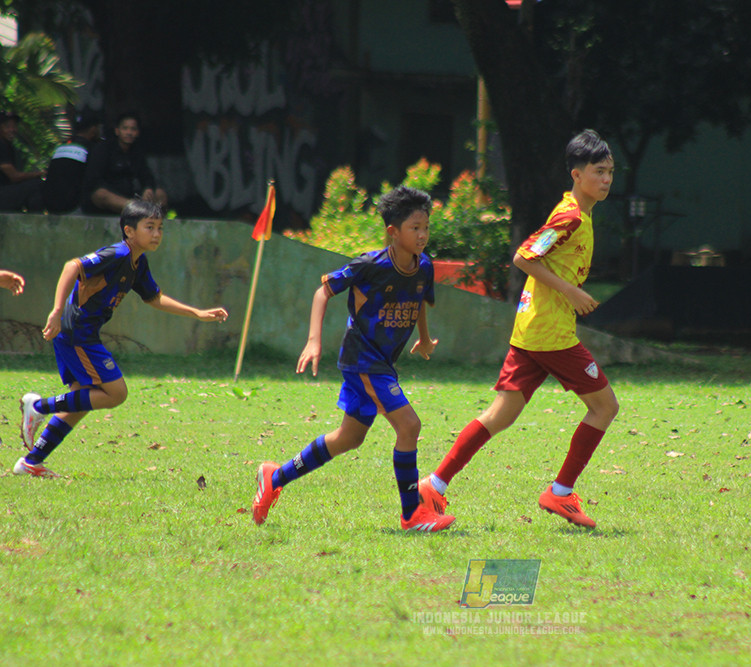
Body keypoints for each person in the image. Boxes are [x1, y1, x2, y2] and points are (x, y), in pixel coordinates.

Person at [417, 129, 619, 529]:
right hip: (550, 333)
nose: (607, 179)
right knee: (605, 406)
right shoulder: (570, 216)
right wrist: (571, 293)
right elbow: (524, 256)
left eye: (611, 171)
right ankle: (560, 493)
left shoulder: (580, 212)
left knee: (501, 414)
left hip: (533, 329)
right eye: (599, 171)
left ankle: (433, 485)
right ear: (577, 175)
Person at [252, 185, 454, 532]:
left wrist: (422, 337)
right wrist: (314, 340)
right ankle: (413, 515)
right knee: (410, 426)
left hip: (380, 362)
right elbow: (323, 290)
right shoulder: (370, 265)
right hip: (363, 359)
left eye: (426, 228)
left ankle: (275, 477)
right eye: (415, 228)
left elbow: (418, 298)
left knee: (349, 438)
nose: (422, 235)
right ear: (393, 232)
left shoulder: (424, 267)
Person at [16, 199, 229, 478]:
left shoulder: (138, 263)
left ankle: (31, 462)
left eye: (160, 228)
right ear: (129, 231)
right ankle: (38, 406)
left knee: (83, 401)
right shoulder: (117, 253)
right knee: (116, 393)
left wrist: (197, 313)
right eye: (149, 227)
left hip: (83, 333)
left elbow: (154, 297)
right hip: (77, 333)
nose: (156, 234)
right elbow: (72, 266)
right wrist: (56, 312)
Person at [82, 111, 167, 215]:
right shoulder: (103, 149)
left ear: (137, 132)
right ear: (117, 131)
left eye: (133, 129)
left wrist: (148, 188)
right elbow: (93, 180)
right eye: (125, 128)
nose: (129, 132)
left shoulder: (137, 152)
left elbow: (147, 176)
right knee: (101, 194)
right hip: (108, 197)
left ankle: (152, 220)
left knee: (159, 194)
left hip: (129, 196)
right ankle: (138, 210)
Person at [42, 110, 103, 214]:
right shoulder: (92, 149)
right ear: (93, 129)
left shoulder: (61, 147)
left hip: (51, 205)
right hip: (74, 207)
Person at [0, 110, 45, 212]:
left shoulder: (9, 146)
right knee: (37, 185)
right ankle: (36, 220)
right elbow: (14, 177)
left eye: (14, 126)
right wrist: (39, 174)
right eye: (7, 126)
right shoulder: (1, 145)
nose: (12, 129)